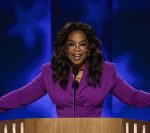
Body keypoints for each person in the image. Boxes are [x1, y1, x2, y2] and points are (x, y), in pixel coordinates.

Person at [0, 21, 150, 117]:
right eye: (71, 44)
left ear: (90, 48)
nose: (77, 49)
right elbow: (21, 97)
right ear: (65, 48)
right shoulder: (50, 72)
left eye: (82, 44)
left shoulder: (106, 71)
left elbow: (133, 98)